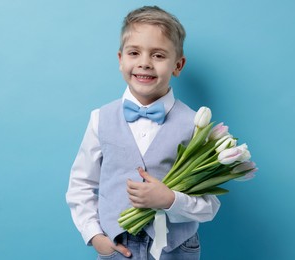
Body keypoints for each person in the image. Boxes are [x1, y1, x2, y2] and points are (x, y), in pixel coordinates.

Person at [66, 5, 220, 259]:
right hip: (116, 247)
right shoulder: (100, 119)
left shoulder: (196, 125)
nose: (144, 63)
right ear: (120, 59)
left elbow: (209, 206)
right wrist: (94, 235)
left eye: (158, 55)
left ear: (178, 65)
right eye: (134, 52)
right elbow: (81, 184)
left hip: (176, 249)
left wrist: (170, 200)